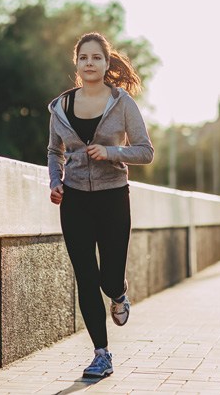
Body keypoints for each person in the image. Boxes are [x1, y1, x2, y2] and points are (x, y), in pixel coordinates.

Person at [47, 32, 154, 378]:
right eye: (83, 58)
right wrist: (55, 180)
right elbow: (54, 151)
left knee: (108, 279)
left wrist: (111, 152)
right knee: (85, 276)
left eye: (96, 58)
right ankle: (101, 353)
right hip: (74, 199)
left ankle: (119, 294)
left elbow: (145, 151)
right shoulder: (61, 107)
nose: (89, 63)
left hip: (112, 196)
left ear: (107, 64)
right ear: (76, 64)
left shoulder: (122, 103)